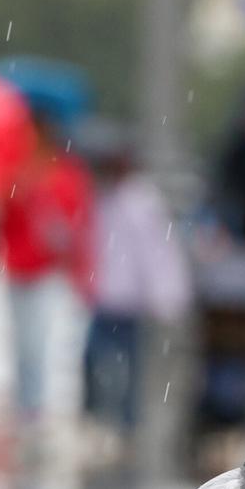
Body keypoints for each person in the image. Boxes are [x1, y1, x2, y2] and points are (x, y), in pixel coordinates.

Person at [85, 128, 191, 434]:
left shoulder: (141, 202)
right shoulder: (102, 197)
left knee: (128, 365)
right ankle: (101, 419)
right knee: (95, 361)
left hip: (130, 300)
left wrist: (165, 297)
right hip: (102, 295)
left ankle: (127, 425)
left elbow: (156, 254)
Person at [0, 109, 94, 439]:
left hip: (48, 274)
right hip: (16, 269)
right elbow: (1, 218)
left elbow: (74, 225)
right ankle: (25, 409)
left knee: (39, 344)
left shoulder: (66, 174)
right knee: (19, 344)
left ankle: (35, 412)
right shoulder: (17, 172)